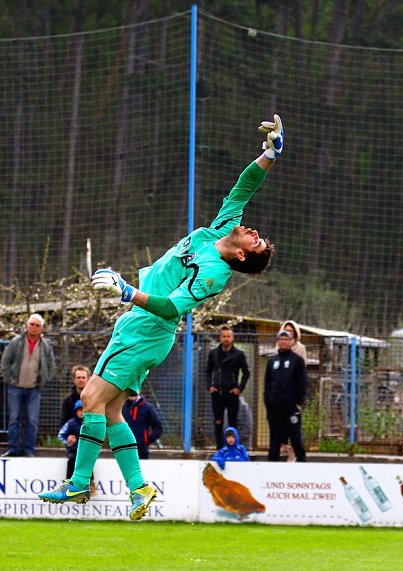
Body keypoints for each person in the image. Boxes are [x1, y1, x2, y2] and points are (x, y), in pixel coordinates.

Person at [39, 113, 284, 521]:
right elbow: (244, 187)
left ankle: (79, 483)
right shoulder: (219, 229)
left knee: (90, 399)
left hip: (151, 328)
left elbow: (171, 307)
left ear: (242, 255)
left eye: (255, 241)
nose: (253, 230)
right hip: (137, 322)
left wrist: (127, 291)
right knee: (112, 410)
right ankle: (139, 488)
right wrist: (269, 155)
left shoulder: (214, 275)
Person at [0, 313, 57, 457]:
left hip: (34, 389)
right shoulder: (16, 342)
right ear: (27, 325)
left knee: (32, 421)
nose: (34, 327)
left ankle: (29, 450)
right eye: (32, 324)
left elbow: (51, 366)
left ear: (41, 328)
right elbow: (5, 362)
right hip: (15, 388)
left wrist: (43, 380)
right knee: (14, 419)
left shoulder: (45, 346)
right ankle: (13, 448)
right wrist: (10, 379)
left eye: (37, 325)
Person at [265, 328, 308, 462]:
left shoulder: (297, 360)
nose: (283, 342)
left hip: (291, 408)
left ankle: (302, 466)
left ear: (291, 342)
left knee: (296, 439)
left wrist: (298, 403)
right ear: (277, 341)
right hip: (274, 408)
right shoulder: (272, 361)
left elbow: (302, 383)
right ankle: (271, 469)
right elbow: (267, 384)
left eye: (286, 339)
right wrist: (268, 403)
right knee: (275, 441)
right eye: (281, 339)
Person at [206, 325, 250, 449]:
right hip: (217, 393)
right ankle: (220, 449)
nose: (226, 339)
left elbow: (246, 373)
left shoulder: (239, 354)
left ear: (232, 338)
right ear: (220, 338)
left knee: (232, 422)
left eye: (228, 336)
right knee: (218, 422)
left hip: (231, 393)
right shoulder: (213, 353)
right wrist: (209, 386)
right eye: (224, 336)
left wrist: (239, 388)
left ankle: (233, 449)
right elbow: (208, 371)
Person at [123, 394, 164, 460]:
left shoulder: (147, 408)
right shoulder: (122, 407)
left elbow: (158, 428)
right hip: (124, 450)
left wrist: (146, 440)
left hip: (141, 451)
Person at [59, 400, 85, 480]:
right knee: (72, 460)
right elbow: (61, 435)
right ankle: (69, 482)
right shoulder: (70, 423)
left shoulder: (89, 423)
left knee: (88, 462)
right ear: (76, 411)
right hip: (73, 450)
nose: (82, 412)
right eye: (79, 410)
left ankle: (90, 484)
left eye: (84, 410)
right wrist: (67, 441)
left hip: (85, 451)